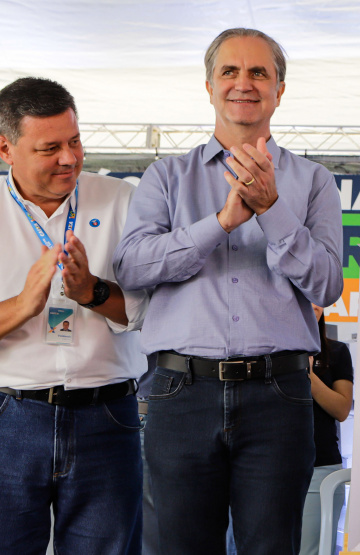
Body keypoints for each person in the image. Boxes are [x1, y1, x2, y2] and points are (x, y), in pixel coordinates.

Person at [113, 28, 344, 554]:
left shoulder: (313, 182)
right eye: (230, 71)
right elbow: (132, 266)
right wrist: (220, 221)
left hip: (280, 396)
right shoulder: (166, 177)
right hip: (179, 393)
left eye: (259, 72)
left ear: (280, 90)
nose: (245, 83)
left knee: (271, 546)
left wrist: (272, 208)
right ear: (210, 86)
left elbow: (327, 284)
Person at [0, 77, 147, 554]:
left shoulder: (123, 200)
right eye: (50, 148)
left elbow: (148, 311)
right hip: (10, 415)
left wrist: (92, 292)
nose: (69, 158)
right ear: (6, 148)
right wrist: (24, 305)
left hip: (108, 416)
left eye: (75, 141)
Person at [301, 304, 354, 555]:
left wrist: (307, 374)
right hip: (264, 465)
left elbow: (342, 409)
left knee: (313, 549)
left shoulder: (336, 351)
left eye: (318, 298)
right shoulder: (263, 351)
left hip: (319, 467)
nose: (314, 305)